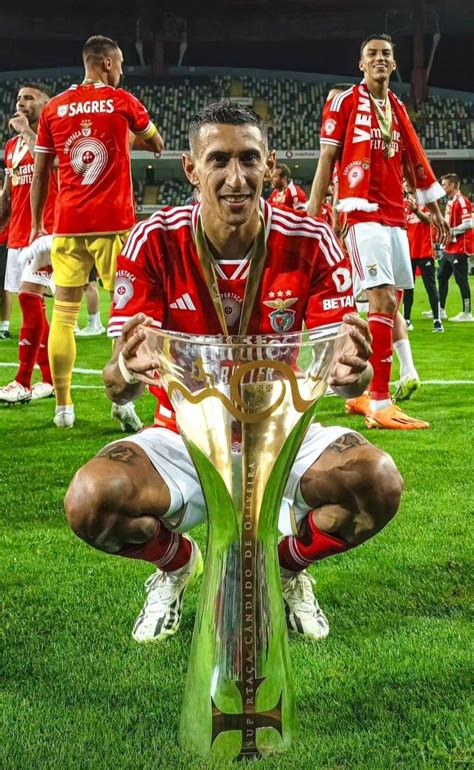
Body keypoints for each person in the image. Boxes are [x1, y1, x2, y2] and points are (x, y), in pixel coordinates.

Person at [64, 101, 403, 646]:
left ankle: (285, 565)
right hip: (187, 436)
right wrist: (128, 365)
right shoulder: (154, 239)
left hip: (282, 433)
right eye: (219, 160)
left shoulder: (312, 241)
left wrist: (349, 374)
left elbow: (343, 370)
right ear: (191, 167)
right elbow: (117, 380)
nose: (236, 177)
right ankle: (178, 563)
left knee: (377, 481)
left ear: (269, 166)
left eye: (249, 159)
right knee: (90, 500)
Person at [307, 33, 449, 429]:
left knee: (387, 302)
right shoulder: (344, 101)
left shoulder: (397, 106)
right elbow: (327, 157)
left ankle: (358, 392)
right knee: (383, 298)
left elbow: (414, 159)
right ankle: (381, 403)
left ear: (394, 63)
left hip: (395, 216)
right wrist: (313, 210)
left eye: (386, 54)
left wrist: (433, 208)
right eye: (372, 54)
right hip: (361, 211)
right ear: (361, 63)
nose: (380, 59)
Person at [30, 35, 164, 428]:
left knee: (64, 315)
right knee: (124, 317)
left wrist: (39, 222)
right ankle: (122, 403)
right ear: (106, 63)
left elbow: (41, 172)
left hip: (68, 224)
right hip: (114, 224)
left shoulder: (54, 108)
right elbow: (157, 143)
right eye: (119, 65)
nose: (121, 72)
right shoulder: (123, 102)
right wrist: (125, 138)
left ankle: (63, 408)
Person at [0, 83, 58, 402]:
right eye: (20, 98)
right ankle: (48, 380)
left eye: (29, 98)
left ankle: (22, 382)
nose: (22, 103)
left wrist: (26, 131)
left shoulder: (53, 137)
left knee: (27, 297)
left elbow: (48, 166)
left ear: (46, 104)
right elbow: (9, 195)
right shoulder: (11, 147)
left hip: (46, 231)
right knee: (30, 303)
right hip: (18, 233)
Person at [402, 180, 443, 332]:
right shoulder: (402, 204)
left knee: (431, 287)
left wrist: (415, 211)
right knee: (408, 287)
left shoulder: (426, 201)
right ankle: (406, 319)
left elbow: (429, 220)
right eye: (404, 181)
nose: (405, 183)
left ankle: (437, 321)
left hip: (425, 251)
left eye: (408, 180)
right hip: (408, 252)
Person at [437, 174, 473, 322]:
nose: (442, 187)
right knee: (441, 276)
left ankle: (467, 312)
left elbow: (468, 224)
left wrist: (451, 230)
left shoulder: (462, 201)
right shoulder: (452, 201)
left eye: (444, 185)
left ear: (452, 185)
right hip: (449, 247)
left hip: (459, 247)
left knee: (461, 279)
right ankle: (441, 310)